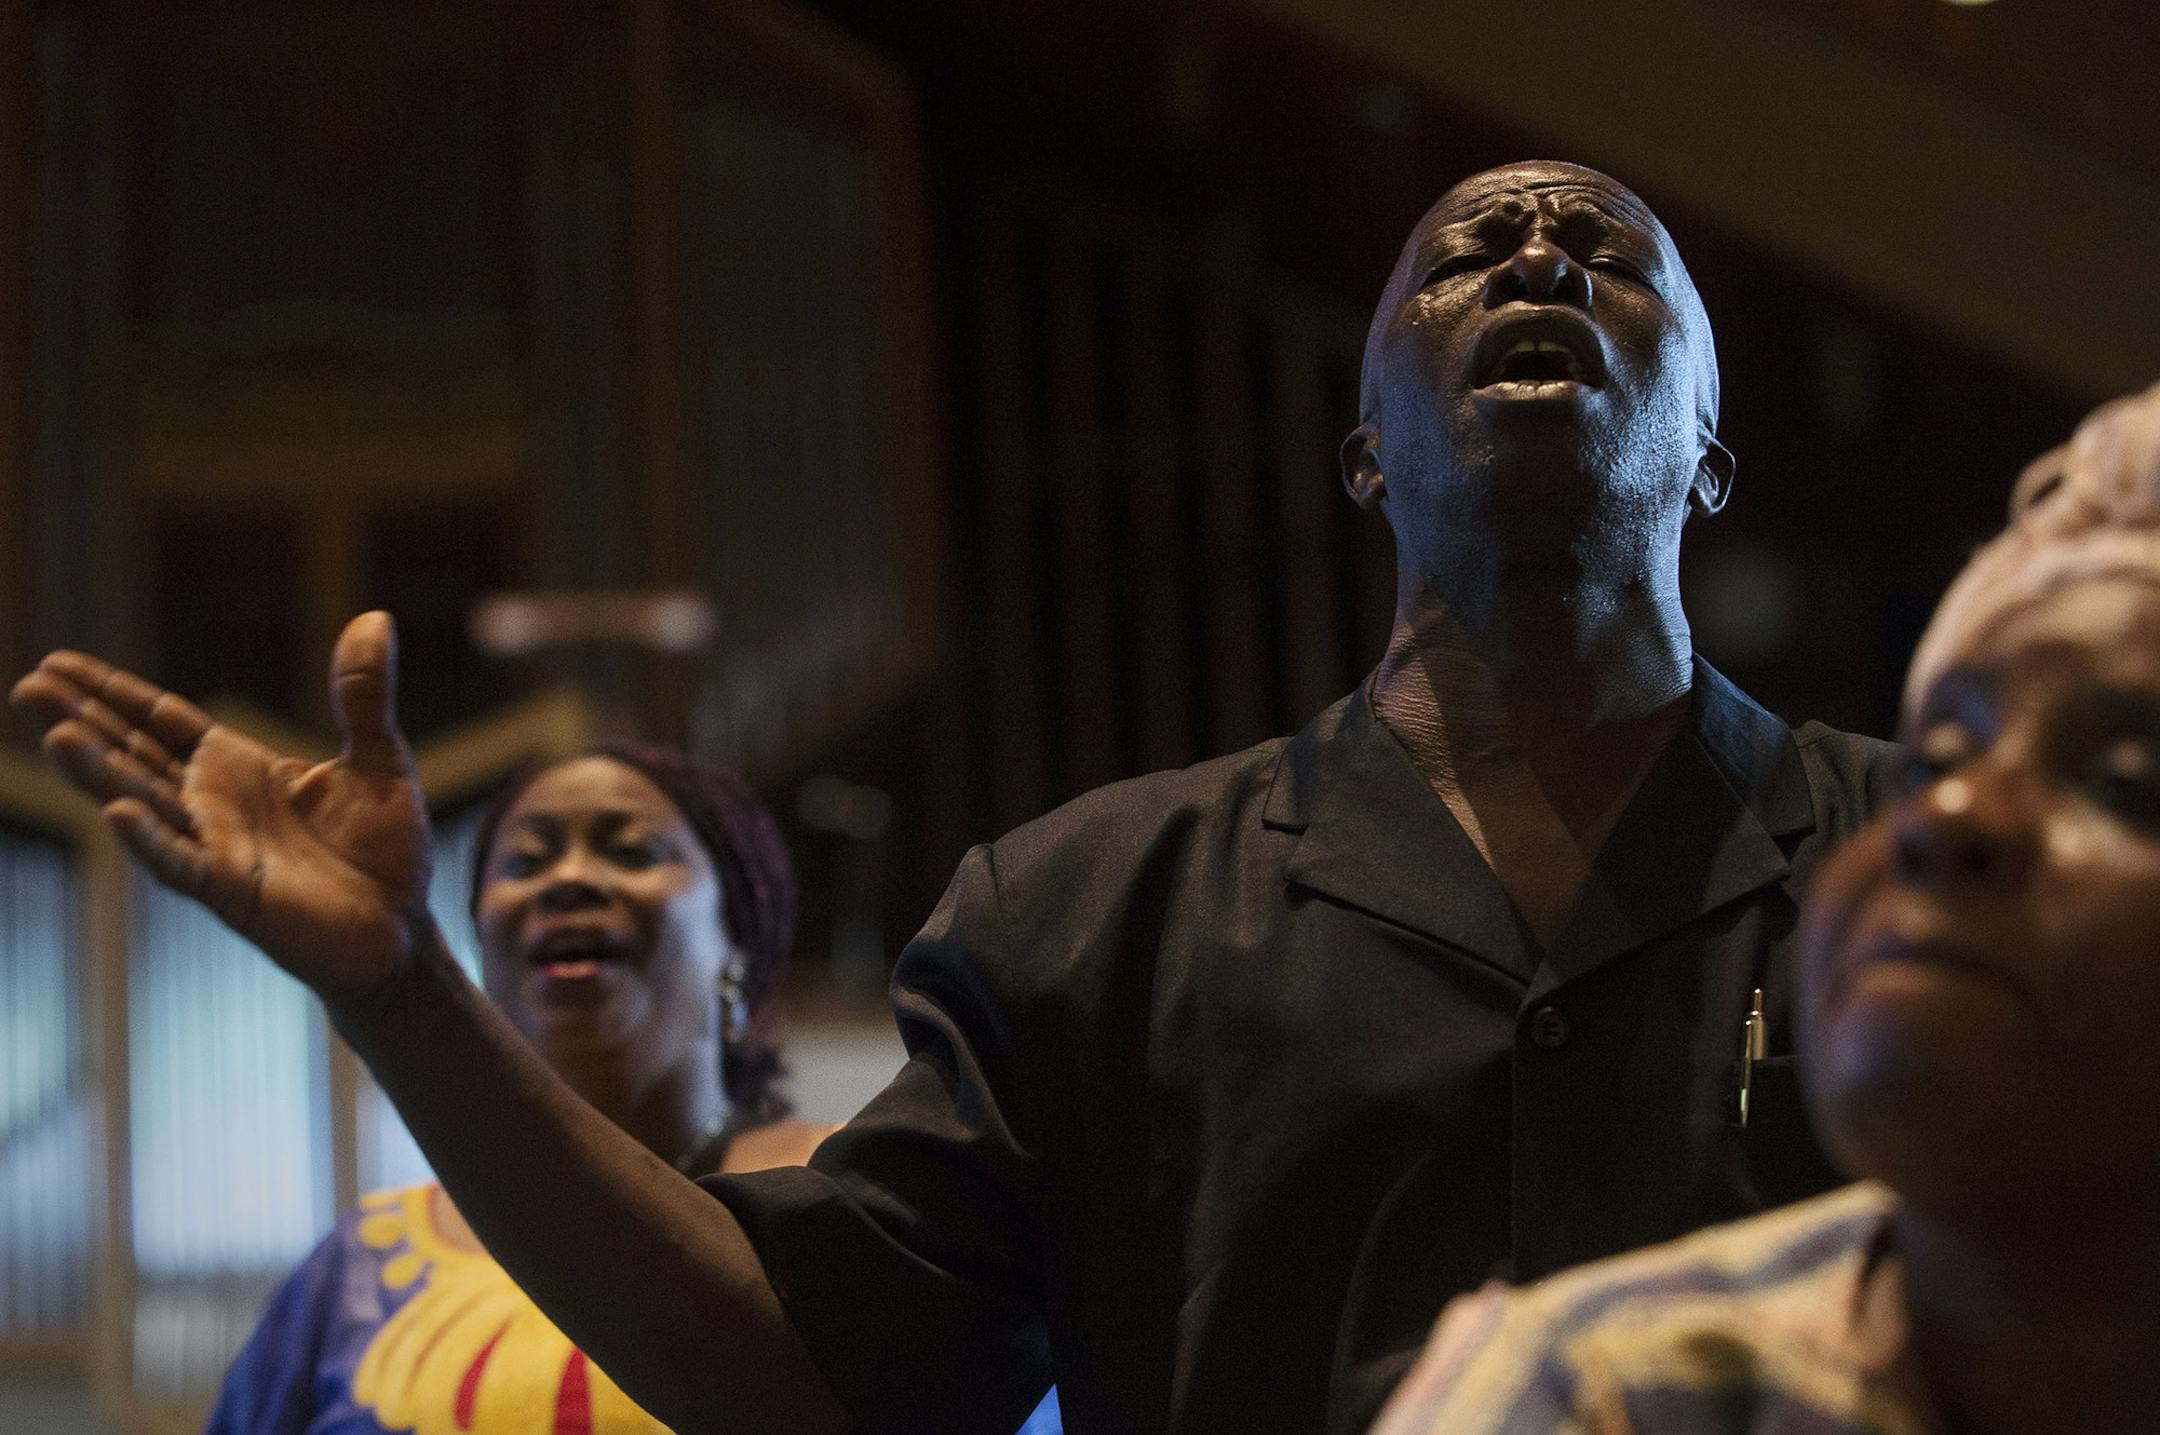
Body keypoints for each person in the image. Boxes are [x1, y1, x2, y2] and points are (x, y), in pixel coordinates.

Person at [13, 161, 1898, 1435]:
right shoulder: (1088, 906)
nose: (1545, 264)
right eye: (1471, 261)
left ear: (1714, 455)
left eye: (1610, 254)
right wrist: (399, 987)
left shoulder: (1914, 861)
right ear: (1363, 455)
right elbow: (810, 1378)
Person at [1366, 381, 2160, 1435]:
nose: (1953, 812)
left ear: (1706, 465)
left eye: (2125, 782)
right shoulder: (1598, 1398)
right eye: (1936, 763)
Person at [205, 747, 836, 1434]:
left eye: (631, 850)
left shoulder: (852, 1199)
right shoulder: (356, 1268)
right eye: (525, 862)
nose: (566, 879)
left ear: (740, 935)